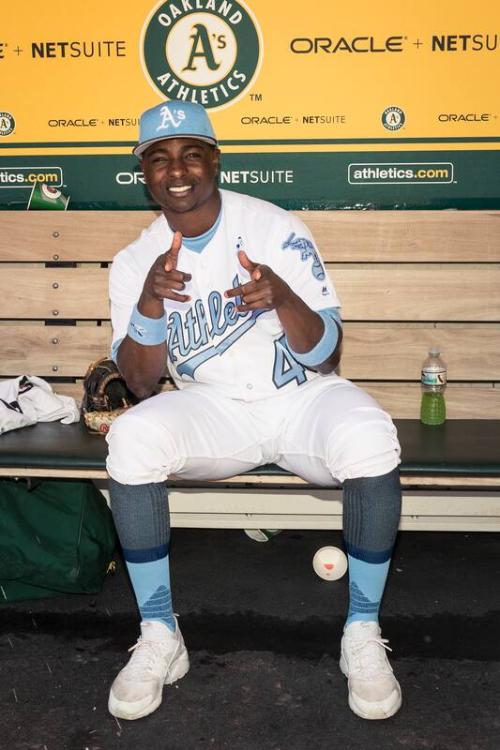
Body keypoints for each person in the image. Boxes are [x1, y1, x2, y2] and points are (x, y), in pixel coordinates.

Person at [106, 100, 403, 722]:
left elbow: (324, 353)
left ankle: (361, 634)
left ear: (214, 161)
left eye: (191, 154)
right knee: (132, 439)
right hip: (213, 408)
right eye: (159, 159)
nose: (176, 170)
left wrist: (282, 294)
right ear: (145, 174)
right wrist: (149, 306)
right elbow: (137, 383)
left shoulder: (271, 225)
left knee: (371, 433)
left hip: (301, 398)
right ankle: (161, 634)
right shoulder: (137, 259)